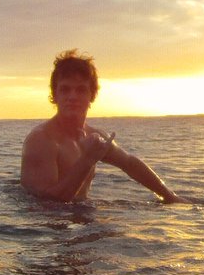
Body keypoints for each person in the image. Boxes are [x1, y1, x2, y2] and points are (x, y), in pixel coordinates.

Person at [20, 49, 182, 203]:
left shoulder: (94, 137)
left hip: (80, 218)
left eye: (81, 90)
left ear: (92, 95)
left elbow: (130, 163)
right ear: (55, 95)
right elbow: (47, 204)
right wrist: (87, 159)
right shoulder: (42, 140)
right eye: (65, 89)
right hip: (47, 228)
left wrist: (170, 197)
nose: (72, 96)